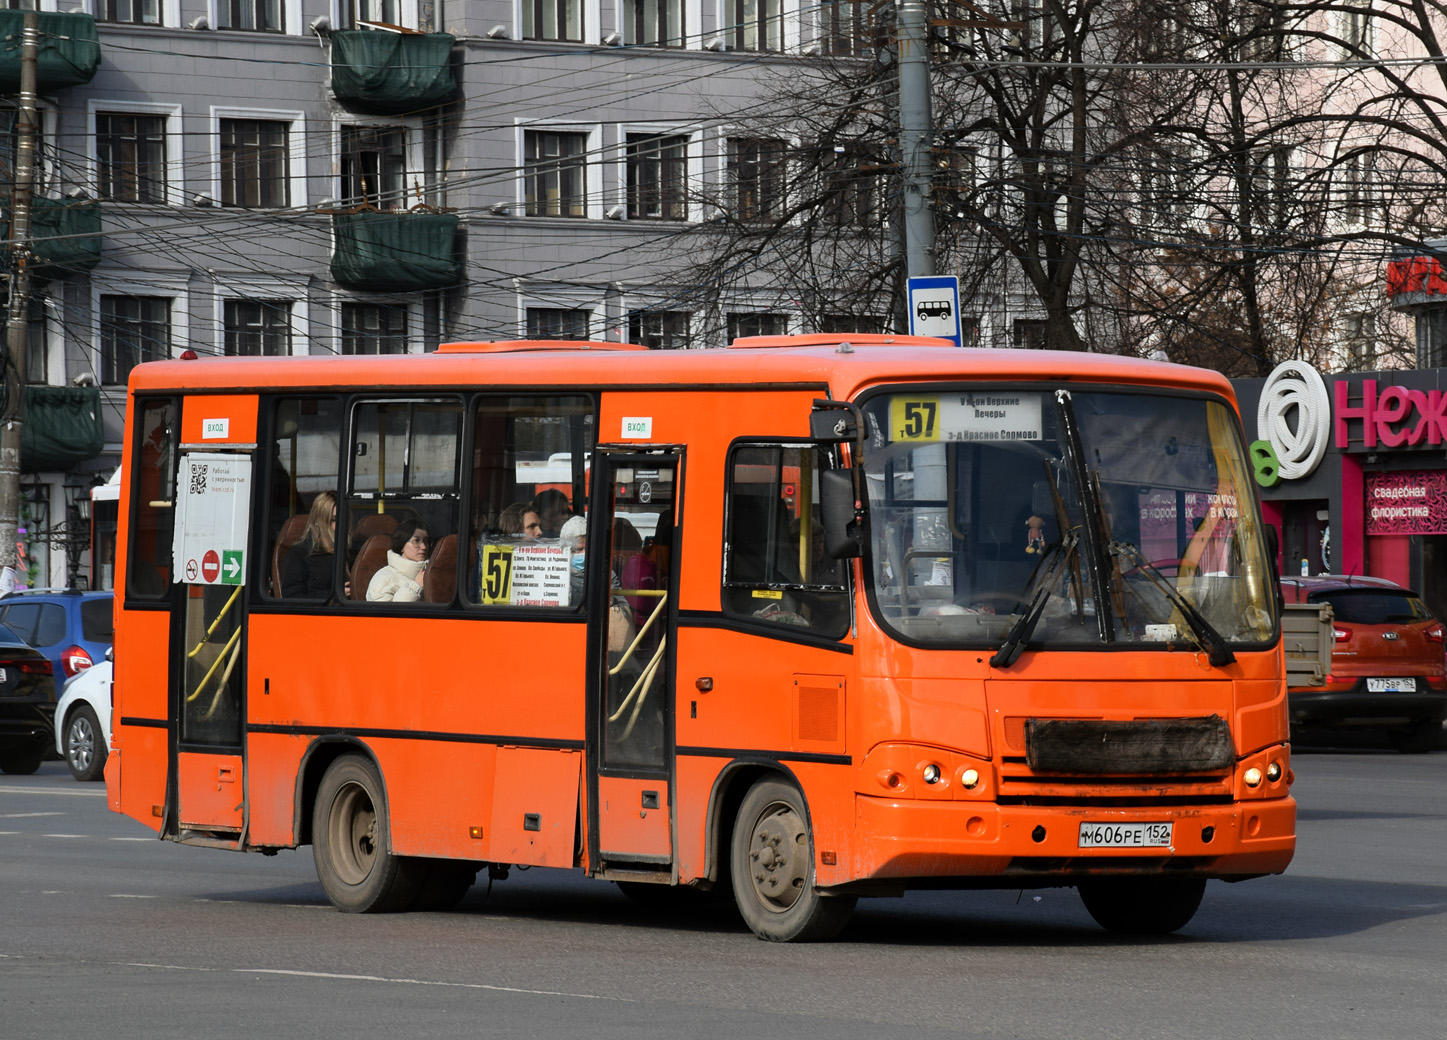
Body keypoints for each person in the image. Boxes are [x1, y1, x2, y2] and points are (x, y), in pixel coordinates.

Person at [281, 491, 338, 599]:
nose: (338, 526)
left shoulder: (351, 554)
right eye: (333, 520)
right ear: (318, 521)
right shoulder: (298, 555)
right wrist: (334, 595)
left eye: (342, 519)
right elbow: (292, 598)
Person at [366, 519, 431, 602]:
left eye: (426, 541)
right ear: (402, 545)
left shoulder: (433, 574)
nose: (424, 547)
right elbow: (385, 613)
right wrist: (415, 586)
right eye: (416, 541)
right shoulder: (383, 578)